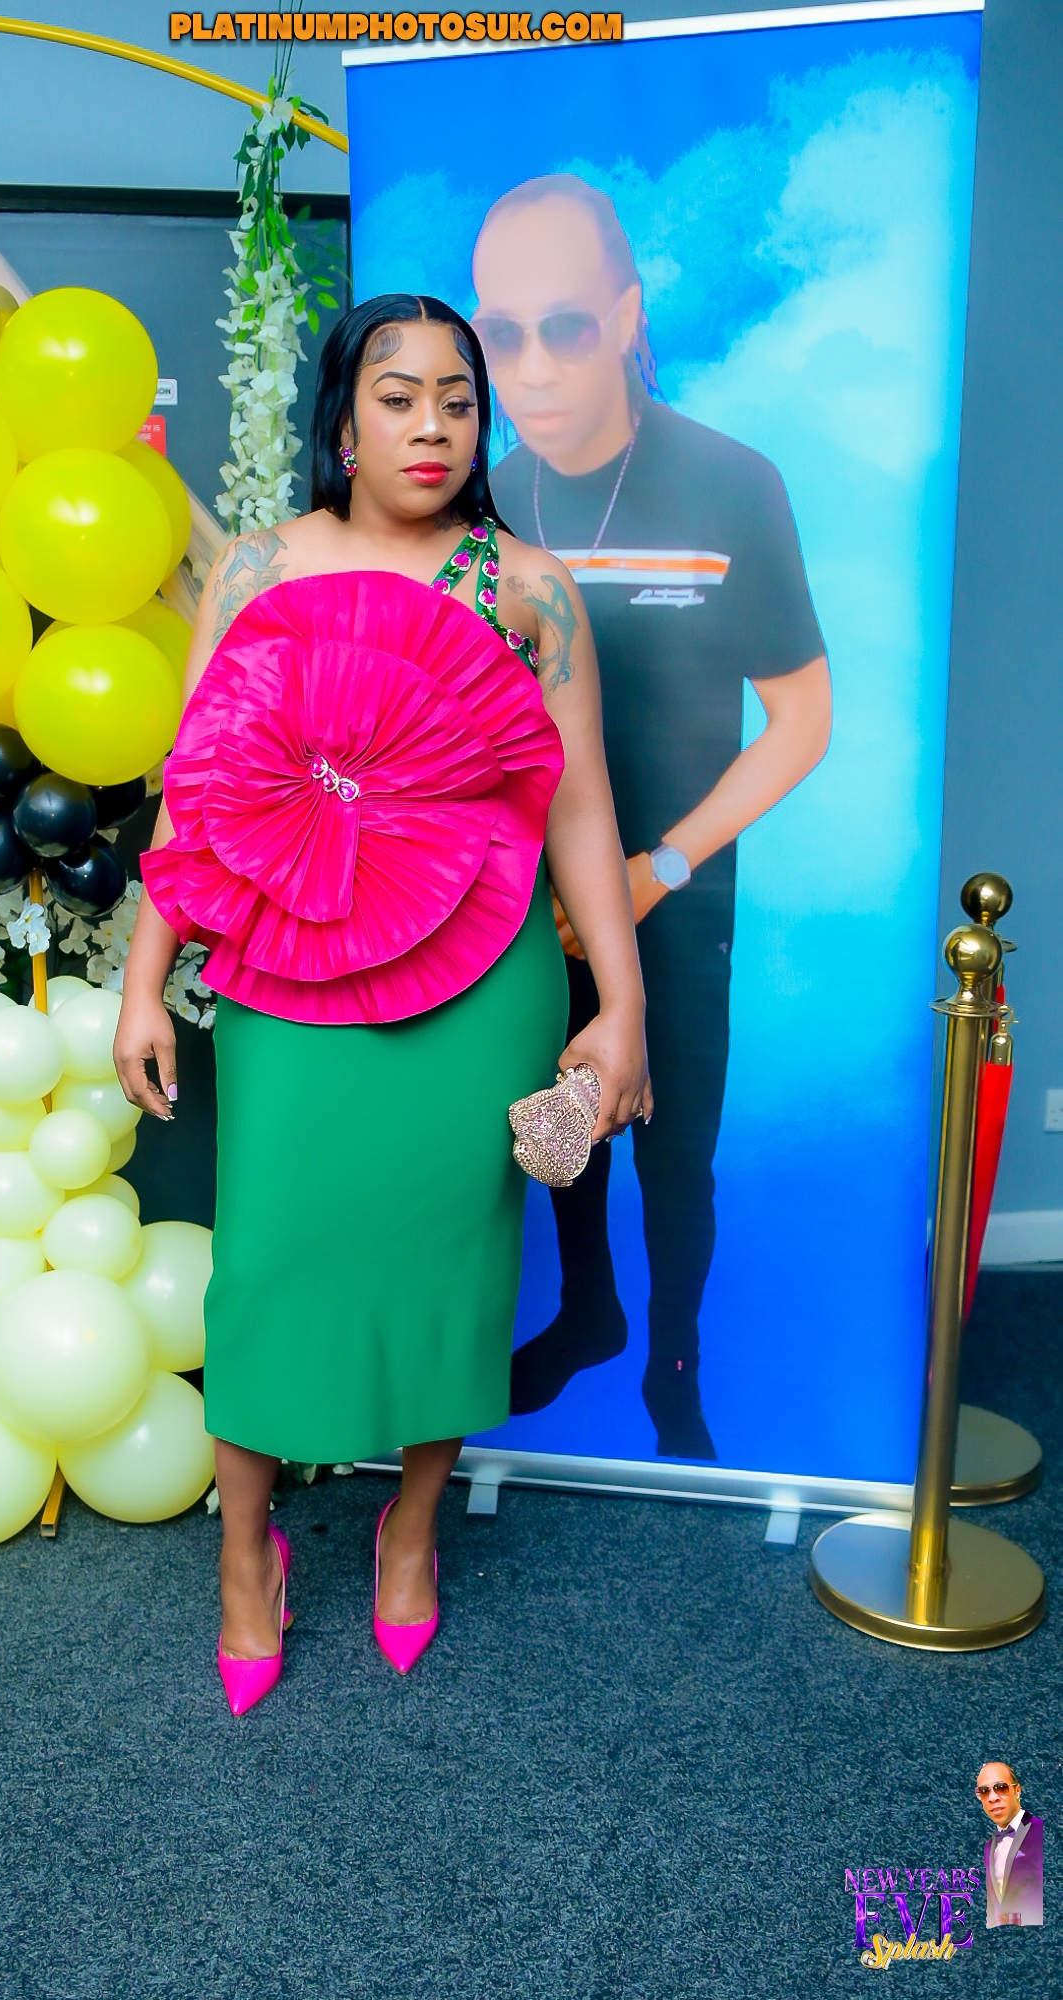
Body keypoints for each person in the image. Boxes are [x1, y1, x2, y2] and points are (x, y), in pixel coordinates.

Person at [114, 294, 651, 1714]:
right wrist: (143, 983)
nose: (432, 425)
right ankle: (247, 1553)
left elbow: (581, 807)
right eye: (398, 396)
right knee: (269, 1260)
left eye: (457, 399)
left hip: (482, 978)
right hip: (292, 965)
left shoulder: (528, 588)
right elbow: (197, 786)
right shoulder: (259, 570)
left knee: (453, 1261)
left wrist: (620, 1004)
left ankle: (410, 1530)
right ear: (342, 421)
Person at [472, 175, 832, 1460]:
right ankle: (589, 1311)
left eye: (565, 326)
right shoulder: (483, 504)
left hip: (672, 891)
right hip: (525, 901)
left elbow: (802, 719)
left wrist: (658, 866)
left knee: (674, 1149)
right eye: (501, 332)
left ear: (627, 317)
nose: (531, 366)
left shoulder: (731, 483)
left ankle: (672, 1366)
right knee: (555, 1120)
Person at [977, 1762, 1044, 1927]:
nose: (992, 1798)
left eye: (1001, 1788)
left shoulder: (1041, 1831)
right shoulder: (989, 1847)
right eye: (984, 1791)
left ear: (1017, 1790)